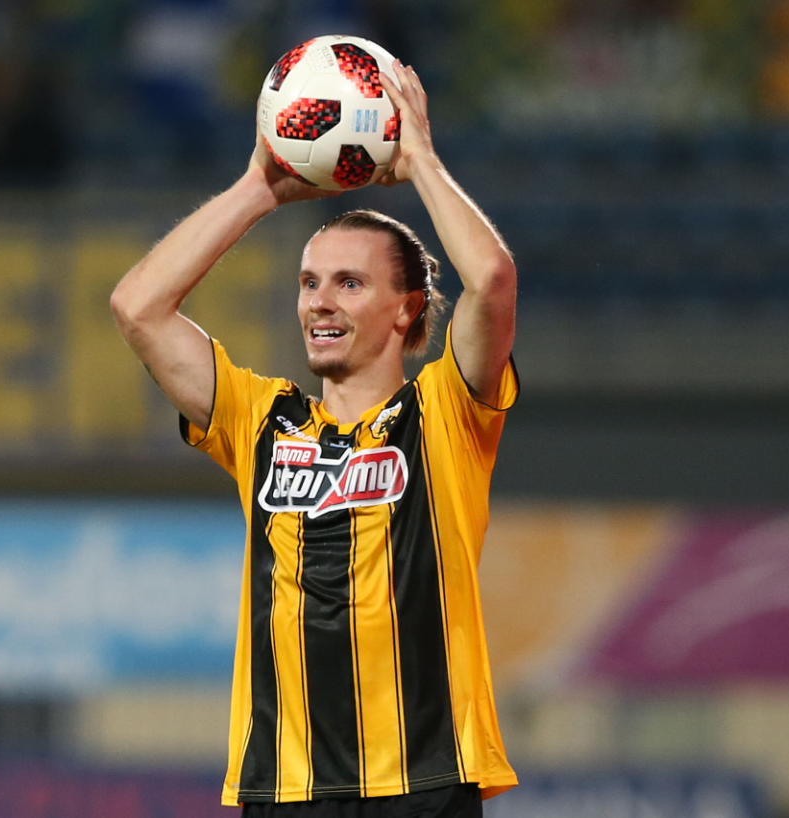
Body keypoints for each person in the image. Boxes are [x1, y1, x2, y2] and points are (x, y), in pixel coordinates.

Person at [112, 59, 518, 817]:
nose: (319, 303)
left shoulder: (446, 412)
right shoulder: (260, 419)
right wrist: (257, 189)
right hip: (286, 787)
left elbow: (491, 281)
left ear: (406, 309)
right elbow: (138, 307)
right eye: (309, 282)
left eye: (348, 283)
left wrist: (421, 163)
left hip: (423, 781)